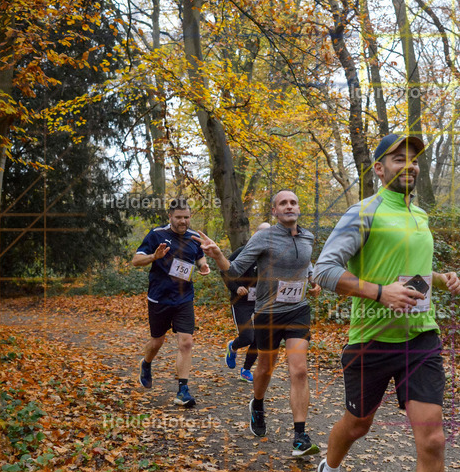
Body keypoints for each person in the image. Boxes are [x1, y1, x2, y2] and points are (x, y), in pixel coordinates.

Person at [312, 133, 460, 472]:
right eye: (399, 159)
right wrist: (380, 293)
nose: (410, 165)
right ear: (378, 169)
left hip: (420, 339)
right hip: (370, 342)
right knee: (358, 424)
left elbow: (407, 274)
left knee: (433, 439)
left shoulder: (419, 215)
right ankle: (330, 470)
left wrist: (440, 276)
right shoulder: (364, 212)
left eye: (414, 159)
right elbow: (322, 271)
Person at [194, 190, 322, 457]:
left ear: (299, 208)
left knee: (299, 370)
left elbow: (306, 264)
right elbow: (235, 269)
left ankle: (300, 436)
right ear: (274, 211)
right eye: (283, 203)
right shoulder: (263, 237)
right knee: (265, 368)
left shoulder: (308, 236)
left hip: (298, 311)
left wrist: (313, 281)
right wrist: (217, 255)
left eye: (293, 202)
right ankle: (258, 404)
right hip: (268, 313)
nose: (289, 206)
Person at [131, 199, 210, 407]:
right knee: (157, 341)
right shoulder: (157, 234)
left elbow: (199, 256)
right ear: (170, 217)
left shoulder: (194, 238)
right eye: (179, 217)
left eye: (186, 217)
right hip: (160, 298)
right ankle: (146, 363)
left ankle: (183, 390)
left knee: (186, 342)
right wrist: (153, 257)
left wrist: (203, 266)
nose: (183, 221)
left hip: (184, 298)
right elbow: (135, 260)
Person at [223, 222, 271, 382]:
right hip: (241, 302)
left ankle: (246, 369)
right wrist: (236, 288)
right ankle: (233, 346)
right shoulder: (243, 252)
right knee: (248, 337)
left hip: (261, 301)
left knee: (259, 337)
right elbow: (224, 271)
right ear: (255, 235)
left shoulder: (273, 255)